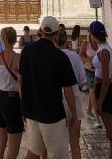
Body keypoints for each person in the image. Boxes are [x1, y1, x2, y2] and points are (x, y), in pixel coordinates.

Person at [19, 16, 78, 159]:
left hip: (32, 111)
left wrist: (24, 106)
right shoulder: (60, 56)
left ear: (40, 30)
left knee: (33, 152)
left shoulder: (26, 52)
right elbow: (68, 90)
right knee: (58, 156)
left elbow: (20, 81)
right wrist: (74, 114)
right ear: (56, 34)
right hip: (52, 114)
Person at [89, 22, 112, 159]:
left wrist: (99, 102)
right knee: (110, 136)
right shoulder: (103, 48)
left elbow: (106, 80)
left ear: (93, 35)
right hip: (102, 91)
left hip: (105, 93)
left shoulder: (104, 52)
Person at [0, 27, 24, 159]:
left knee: (0, 144)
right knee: (13, 148)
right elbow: (21, 83)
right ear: (15, 39)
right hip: (12, 101)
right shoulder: (17, 58)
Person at [58, 29, 87, 159]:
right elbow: (82, 80)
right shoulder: (74, 56)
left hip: (57, 104)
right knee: (75, 144)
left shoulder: (52, 56)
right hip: (74, 101)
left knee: (58, 146)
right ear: (66, 40)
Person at [79, 29, 100, 128]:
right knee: (93, 91)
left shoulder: (100, 43)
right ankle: (97, 118)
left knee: (92, 92)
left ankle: (88, 111)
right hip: (88, 70)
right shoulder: (86, 44)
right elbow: (80, 56)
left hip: (98, 70)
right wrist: (88, 60)